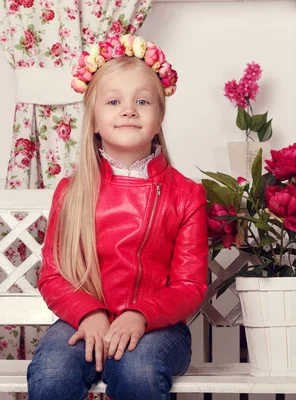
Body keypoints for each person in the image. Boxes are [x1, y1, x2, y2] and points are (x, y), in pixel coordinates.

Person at [27, 35, 208, 400]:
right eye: (113, 101)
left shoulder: (186, 195)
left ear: (159, 120)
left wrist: (140, 314)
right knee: (52, 372)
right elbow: (53, 275)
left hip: (158, 326)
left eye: (142, 101)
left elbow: (190, 285)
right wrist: (89, 313)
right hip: (80, 320)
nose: (128, 110)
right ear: (93, 121)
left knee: (138, 370)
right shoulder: (72, 191)